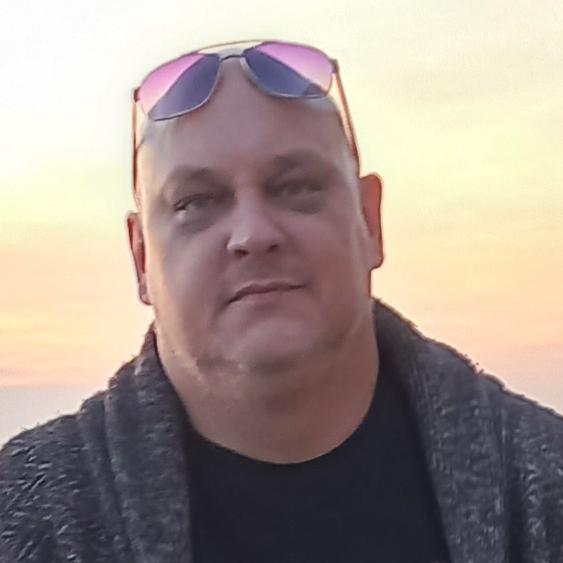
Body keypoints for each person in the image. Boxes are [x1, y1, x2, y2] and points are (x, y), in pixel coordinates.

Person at [1, 39, 562, 563]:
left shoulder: (544, 486)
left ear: (369, 221)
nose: (252, 233)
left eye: (296, 188)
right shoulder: (25, 518)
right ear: (142, 257)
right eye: (197, 202)